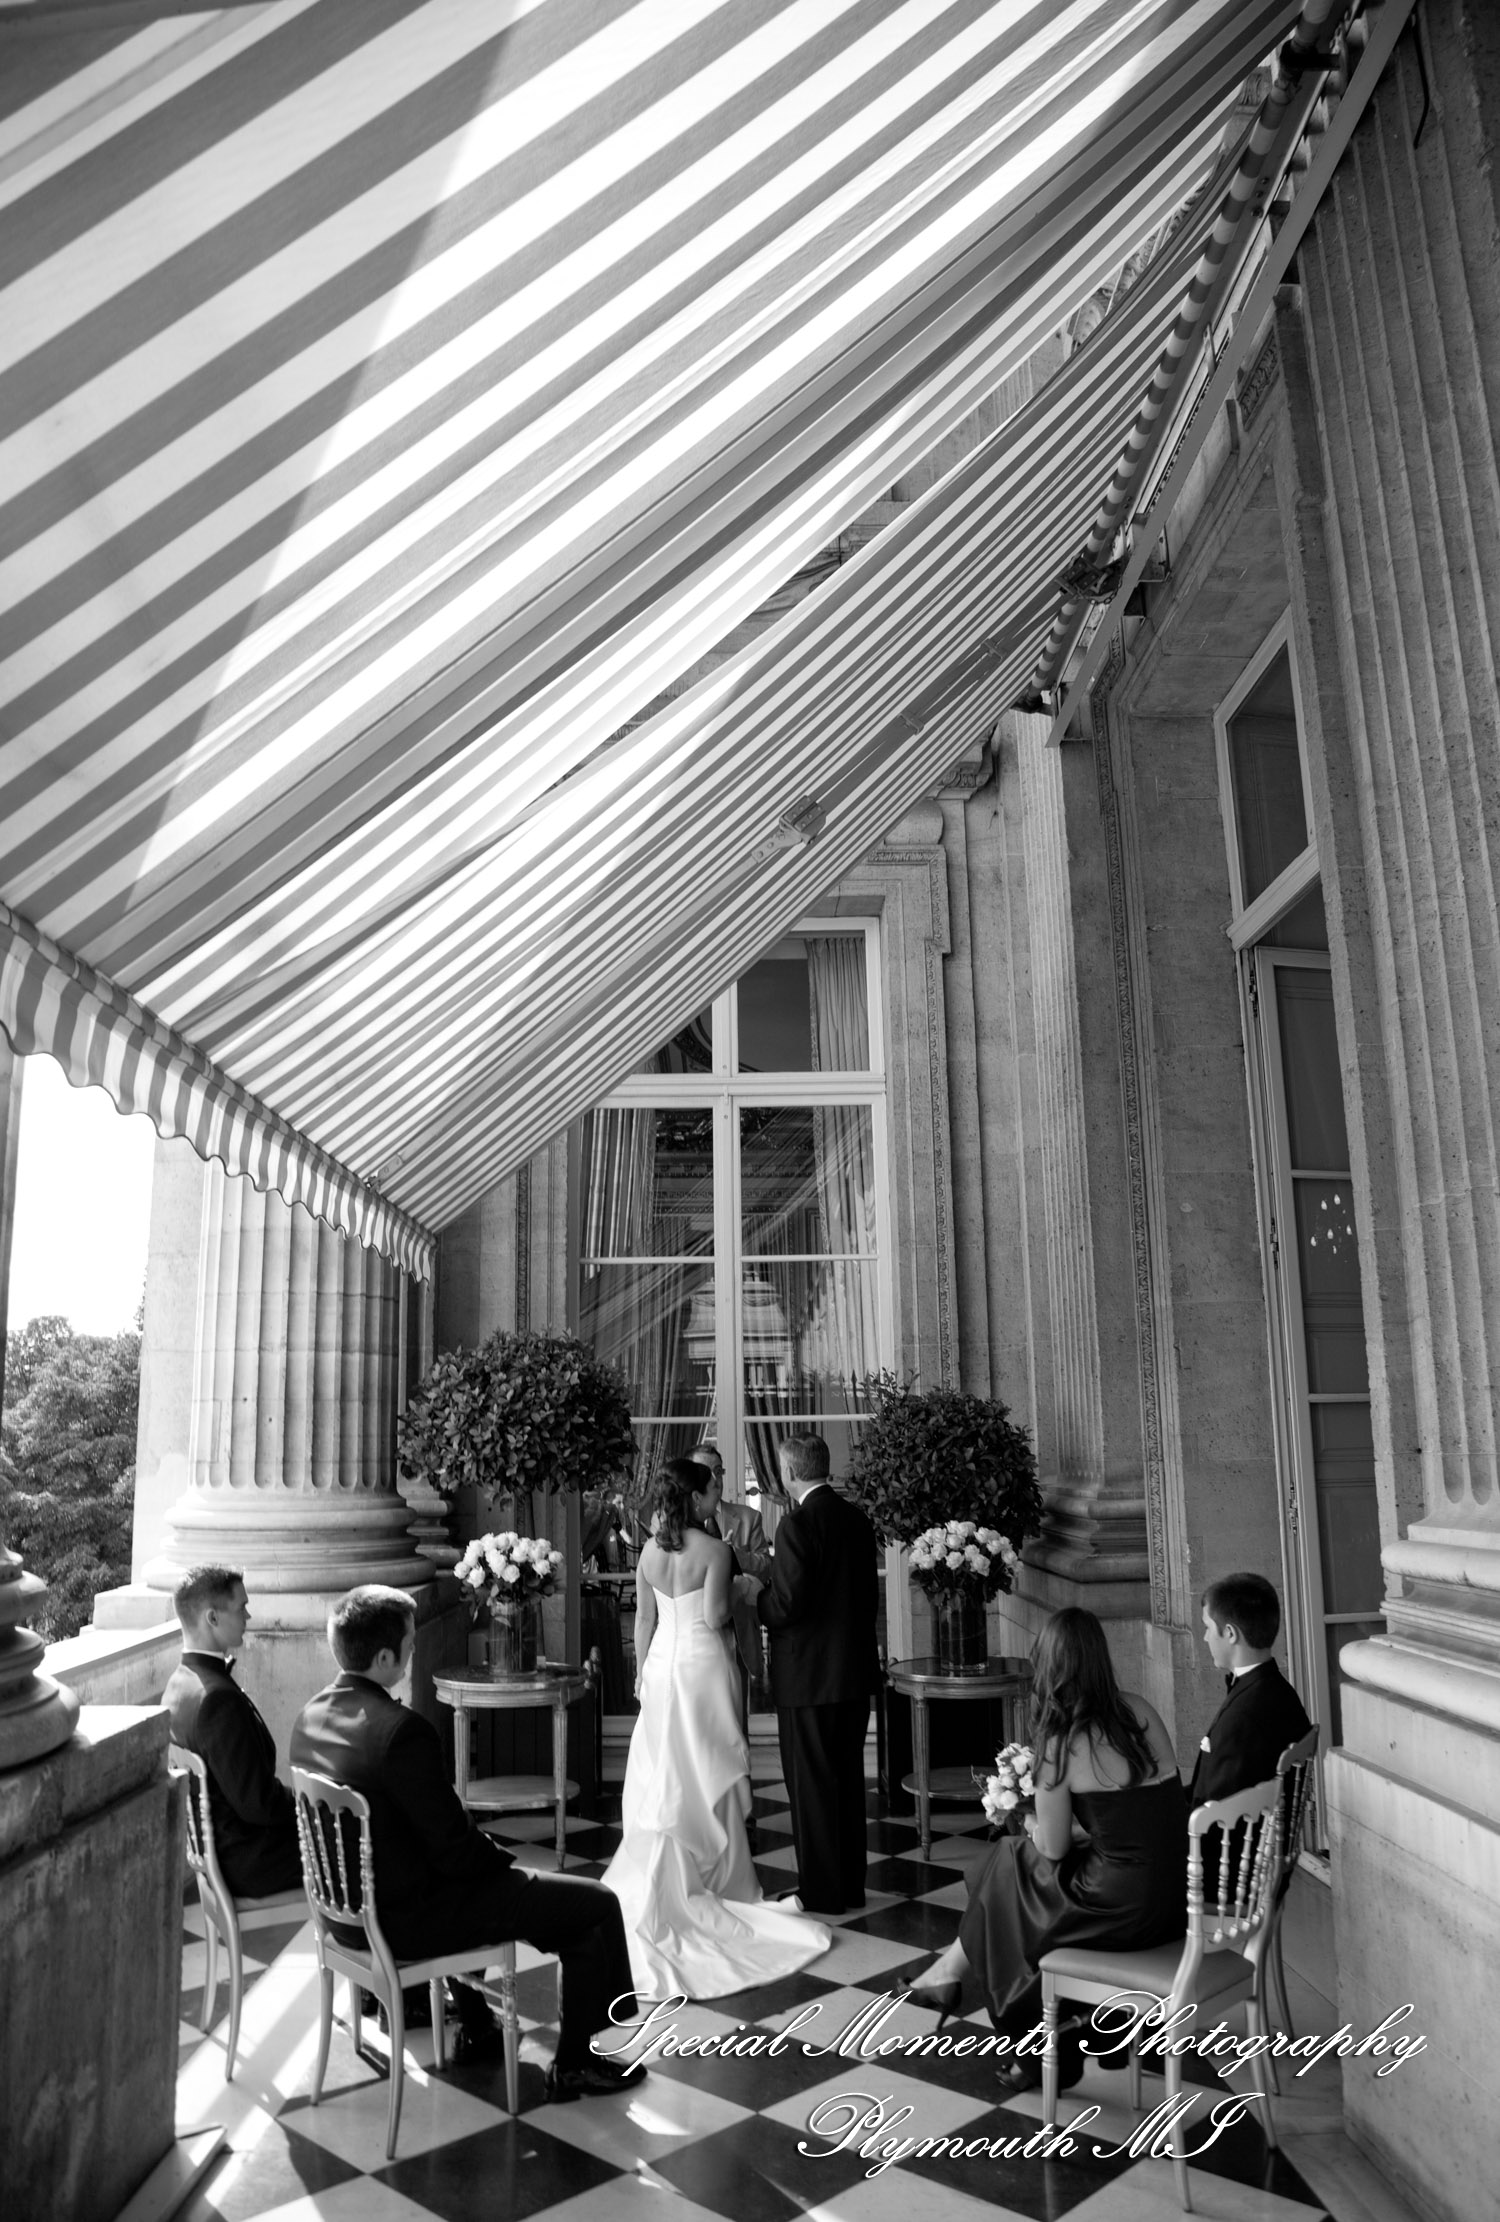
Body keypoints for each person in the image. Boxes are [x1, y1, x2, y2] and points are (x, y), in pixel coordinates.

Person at [290, 1585, 643, 2098]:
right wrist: (504, 1866)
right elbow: (455, 1850)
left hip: (344, 1920)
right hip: (409, 1921)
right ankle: (575, 2061)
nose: (412, 1655)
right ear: (385, 1657)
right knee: (595, 1905)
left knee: (529, 1897)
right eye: (409, 1646)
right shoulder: (400, 1732)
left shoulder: (310, 1717)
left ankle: (478, 2020)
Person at [901, 1606, 1187, 2091]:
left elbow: (1052, 1849)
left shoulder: (1063, 1738)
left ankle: (1016, 2030)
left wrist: (1030, 1817)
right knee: (1006, 1871)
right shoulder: (1140, 1709)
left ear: (1050, 1666)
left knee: (1006, 1868)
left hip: (1119, 1906)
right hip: (1172, 1895)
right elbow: (1143, 1814)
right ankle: (957, 1979)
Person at [601, 1458, 830, 1996]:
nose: (716, 1494)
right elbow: (714, 1618)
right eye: (711, 1488)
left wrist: (639, 1675)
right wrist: (743, 1583)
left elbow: (643, 1621)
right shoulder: (716, 1551)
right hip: (703, 1666)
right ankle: (720, 1878)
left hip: (660, 1668)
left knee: (667, 1764)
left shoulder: (651, 1552)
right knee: (708, 1765)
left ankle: (673, 1868)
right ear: (699, 1498)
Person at [755, 1432, 880, 1916]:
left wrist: (755, 1597)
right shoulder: (856, 1519)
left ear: (789, 1473)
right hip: (851, 1674)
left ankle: (821, 1894)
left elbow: (786, 1605)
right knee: (847, 1784)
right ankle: (850, 1886)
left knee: (811, 1789)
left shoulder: (795, 1525)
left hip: (807, 1678)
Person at [162, 1565, 302, 1897]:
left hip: (221, 1852)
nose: (248, 1616)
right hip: (249, 1860)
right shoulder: (217, 1700)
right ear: (212, 1618)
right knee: (370, 1844)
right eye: (241, 1608)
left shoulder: (179, 1682)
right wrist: (309, 1806)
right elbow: (258, 1805)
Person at [1191, 1571, 1312, 1902]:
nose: (1204, 1638)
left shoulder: (1246, 1714)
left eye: (1207, 1627)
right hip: (1262, 1866)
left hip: (1227, 1883)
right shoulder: (1277, 1691)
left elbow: (1212, 1811)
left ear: (1230, 1633)